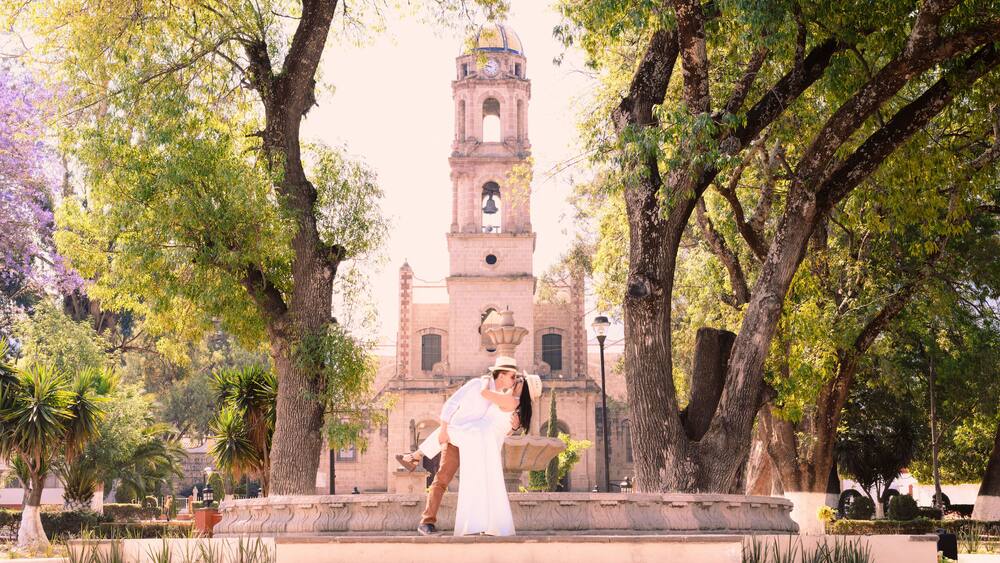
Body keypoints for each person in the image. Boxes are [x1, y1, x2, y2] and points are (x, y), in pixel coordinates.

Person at [393, 356, 524, 535]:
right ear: (501, 375)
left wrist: (515, 425)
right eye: (512, 376)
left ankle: (415, 456)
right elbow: (450, 404)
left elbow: (501, 427)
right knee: (442, 478)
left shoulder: (500, 397)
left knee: (480, 483)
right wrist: (444, 429)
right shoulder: (477, 385)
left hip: (478, 446)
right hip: (457, 439)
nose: (513, 381)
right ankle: (426, 522)